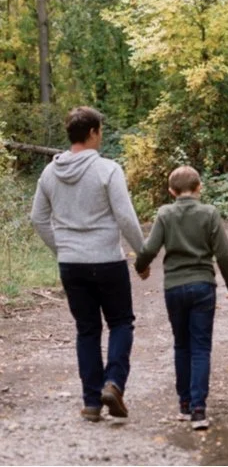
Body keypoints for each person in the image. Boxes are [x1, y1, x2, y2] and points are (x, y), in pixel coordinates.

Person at [29, 106, 145, 422]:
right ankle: (114, 383)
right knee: (121, 322)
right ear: (92, 132)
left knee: (87, 330)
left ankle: (92, 402)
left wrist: (62, 248)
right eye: (100, 131)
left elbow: (37, 218)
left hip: (71, 264)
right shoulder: (108, 170)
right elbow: (125, 216)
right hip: (107, 260)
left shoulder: (49, 174)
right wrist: (143, 254)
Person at [133, 165, 228, 431]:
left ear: (171, 191)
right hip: (203, 285)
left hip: (174, 288)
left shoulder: (165, 213)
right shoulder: (209, 213)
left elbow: (150, 248)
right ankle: (199, 411)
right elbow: (223, 254)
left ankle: (184, 405)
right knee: (201, 346)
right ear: (199, 187)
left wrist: (141, 267)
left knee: (182, 345)